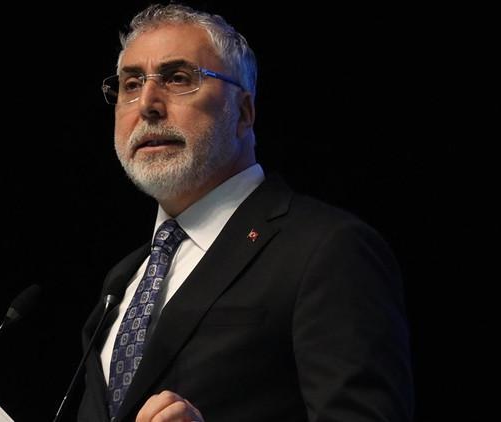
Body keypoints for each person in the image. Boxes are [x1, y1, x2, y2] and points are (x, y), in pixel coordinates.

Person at [78, 4, 413, 421]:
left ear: (243, 112)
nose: (147, 103)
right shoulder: (123, 280)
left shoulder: (326, 250)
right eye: (131, 84)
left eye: (178, 78)